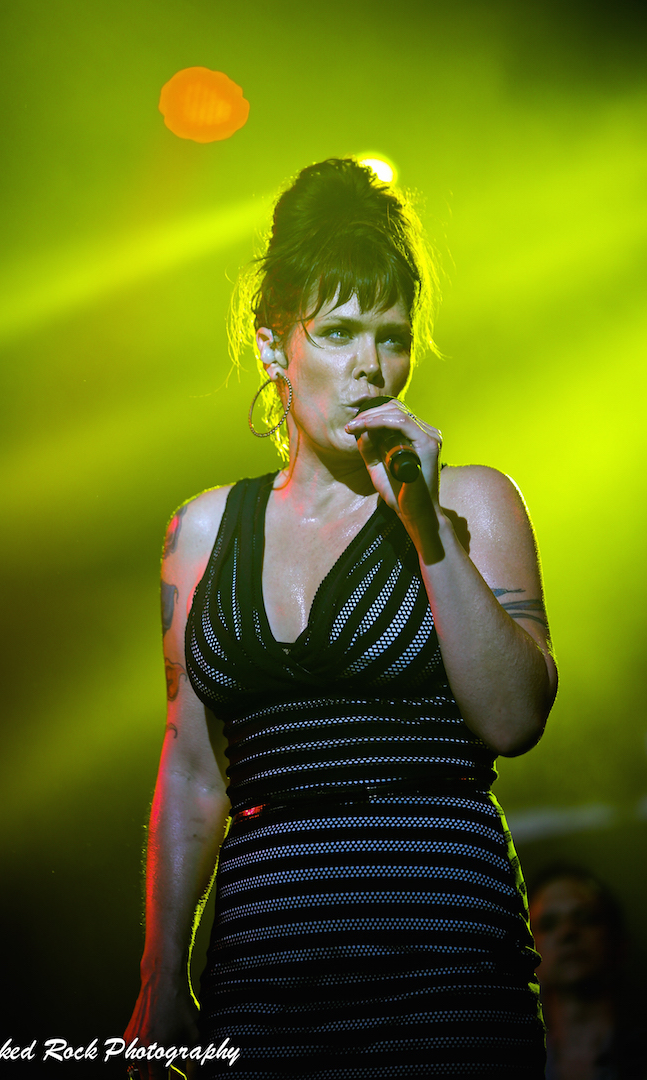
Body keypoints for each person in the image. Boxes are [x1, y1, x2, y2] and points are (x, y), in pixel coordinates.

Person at [125, 157, 559, 1079]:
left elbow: (515, 720)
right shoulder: (202, 531)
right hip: (264, 978)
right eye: (338, 333)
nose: (371, 366)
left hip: (445, 974)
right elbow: (194, 771)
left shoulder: (473, 504)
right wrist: (162, 975)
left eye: (392, 338)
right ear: (274, 347)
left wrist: (425, 528)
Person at [530, 865, 646, 1080]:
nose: (567, 932)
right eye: (548, 924)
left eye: (585, 918)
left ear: (619, 942)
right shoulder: (506, 1056)